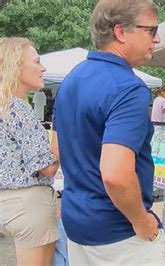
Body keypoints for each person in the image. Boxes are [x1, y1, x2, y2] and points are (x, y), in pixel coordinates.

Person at [53, 0, 165, 264]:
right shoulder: (129, 88)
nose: (157, 38)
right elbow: (115, 175)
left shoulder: (72, 79)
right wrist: (142, 221)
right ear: (120, 32)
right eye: (151, 30)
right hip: (118, 233)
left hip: (77, 222)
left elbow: (57, 149)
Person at [0, 37, 60, 266]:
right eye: (36, 61)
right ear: (15, 66)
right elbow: (47, 167)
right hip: (29, 206)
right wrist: (59, 135)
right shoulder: (19, 108)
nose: (42, 67)